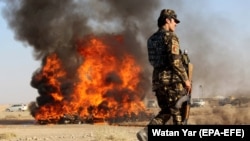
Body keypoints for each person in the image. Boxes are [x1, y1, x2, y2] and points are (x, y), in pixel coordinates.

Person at [136, 9, 192, 141]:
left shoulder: (151, 39)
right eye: (174, 21)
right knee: (178, 113)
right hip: (172, 81)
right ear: (167, 20)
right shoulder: (171, 37)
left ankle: (146, 133)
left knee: (166, 111)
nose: (176, 24)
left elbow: (152, 61)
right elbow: (175, 61)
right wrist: (186, 80)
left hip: (158, 81)